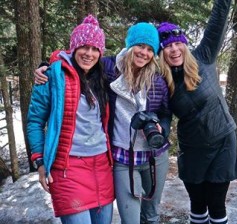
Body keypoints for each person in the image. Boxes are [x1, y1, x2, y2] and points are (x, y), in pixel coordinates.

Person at [34, 22, 172, 224]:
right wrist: (48, 65)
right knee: (131, 219)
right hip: (122, 156)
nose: (144, 53)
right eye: (140, 46)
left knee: (151, 216)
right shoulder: (110, 68)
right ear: (130, 45)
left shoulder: (158, 79)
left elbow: (166, 113)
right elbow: (81, 55)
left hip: (154, 155)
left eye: (150, 49)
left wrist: (163, 128)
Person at [157, 0, 237, 223]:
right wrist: (161, 130)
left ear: (184, 44)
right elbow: (164, 112)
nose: (174, 49)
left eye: (177, 44)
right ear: (161, 52)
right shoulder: (162, 81)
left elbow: (218, 21)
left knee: (216, 203)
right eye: (167, 46)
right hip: (193, 148)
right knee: (197, 202)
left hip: (222, 140)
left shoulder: (203, 56)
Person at [27, 15, 114, 224]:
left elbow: (135, 60)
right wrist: (40, 162)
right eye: (84, 47)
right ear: (73, 48)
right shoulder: (51, 76)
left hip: (102, 166)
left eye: (95, 49)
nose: (89, 54)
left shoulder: (102, 77)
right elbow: (35, 121)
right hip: (68, 169)